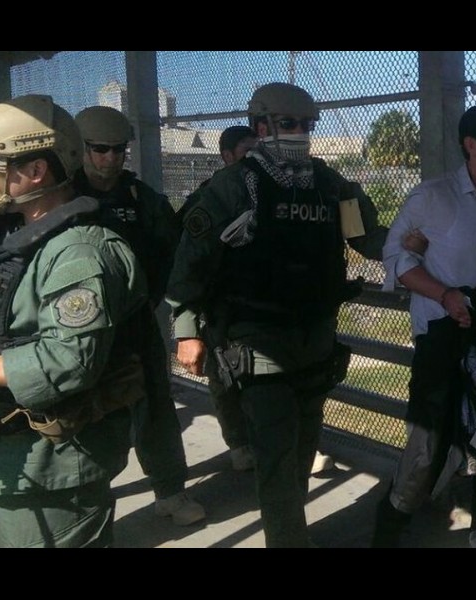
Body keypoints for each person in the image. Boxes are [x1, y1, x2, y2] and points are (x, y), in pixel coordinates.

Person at [0, 94, 150, 548]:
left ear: (36, 170)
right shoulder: (4, 239)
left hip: (50, 472)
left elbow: (66, 363)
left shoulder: (79, 252)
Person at [166, 82, 388, 547]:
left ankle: (291, 534)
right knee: (277, 457)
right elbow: (189, 265)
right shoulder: (233, 187)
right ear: (261, 127)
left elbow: (366, 238)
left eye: (307, 125)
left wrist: (422, 244)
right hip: (258, 346)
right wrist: (187, 332)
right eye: (289, 124)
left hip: (315, 343)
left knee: (303, 449)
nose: (299, 133)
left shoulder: (329, 185)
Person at [371, 104, 476, 548]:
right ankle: (390, 526)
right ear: (471, 145)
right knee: (427, 445)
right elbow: (397, 257)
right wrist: (445, 296)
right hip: (441, 340)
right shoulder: (431, 198)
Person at [73, 105, 205, 525]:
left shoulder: (140, 198)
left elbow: (173, 254)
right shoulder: (59, 196)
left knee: (155, 407)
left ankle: (170, 490)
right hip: (73, 330)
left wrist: (150, 300)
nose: (110, 158)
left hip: (133, 323)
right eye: (100, 149)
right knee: (79, 413)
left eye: (118, 150)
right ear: (79, 148)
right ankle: (82, 501)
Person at [180, 125, 258, 471]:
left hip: (262, 306)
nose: (254, 160)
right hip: (222, 305)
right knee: (225, 376)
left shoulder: (273, 191)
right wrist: (187, 328)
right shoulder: (211, 197)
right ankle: (239, 443)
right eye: (246, 152)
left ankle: (283, 441)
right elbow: (187, 262)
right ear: (227, 156)